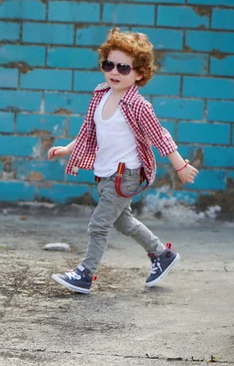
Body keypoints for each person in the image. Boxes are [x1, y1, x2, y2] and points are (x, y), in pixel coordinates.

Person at [47, 28, 199, 294]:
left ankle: (85, 274)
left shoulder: (139, 106)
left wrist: (180, 166)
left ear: (139, 74)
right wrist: (68, 149)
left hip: (124, 177)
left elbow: (159, 135)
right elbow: (88, 129)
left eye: (123, 68)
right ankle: (162, 255)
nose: (114, 72)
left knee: (99, 224)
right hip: (105, 175)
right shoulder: (101, 94)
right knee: (123, 222)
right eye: (109, 65)